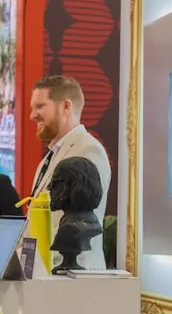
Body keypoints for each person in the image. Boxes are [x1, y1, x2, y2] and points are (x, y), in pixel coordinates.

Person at [28, 76, 113, 269]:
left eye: (40, 106)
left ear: (66, 106)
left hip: (74, 277)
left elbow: (64, 227)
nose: (32, 115)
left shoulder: (88, 149)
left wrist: (17, 260)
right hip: (47, 275)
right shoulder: (50, 156)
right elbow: (36, 223)